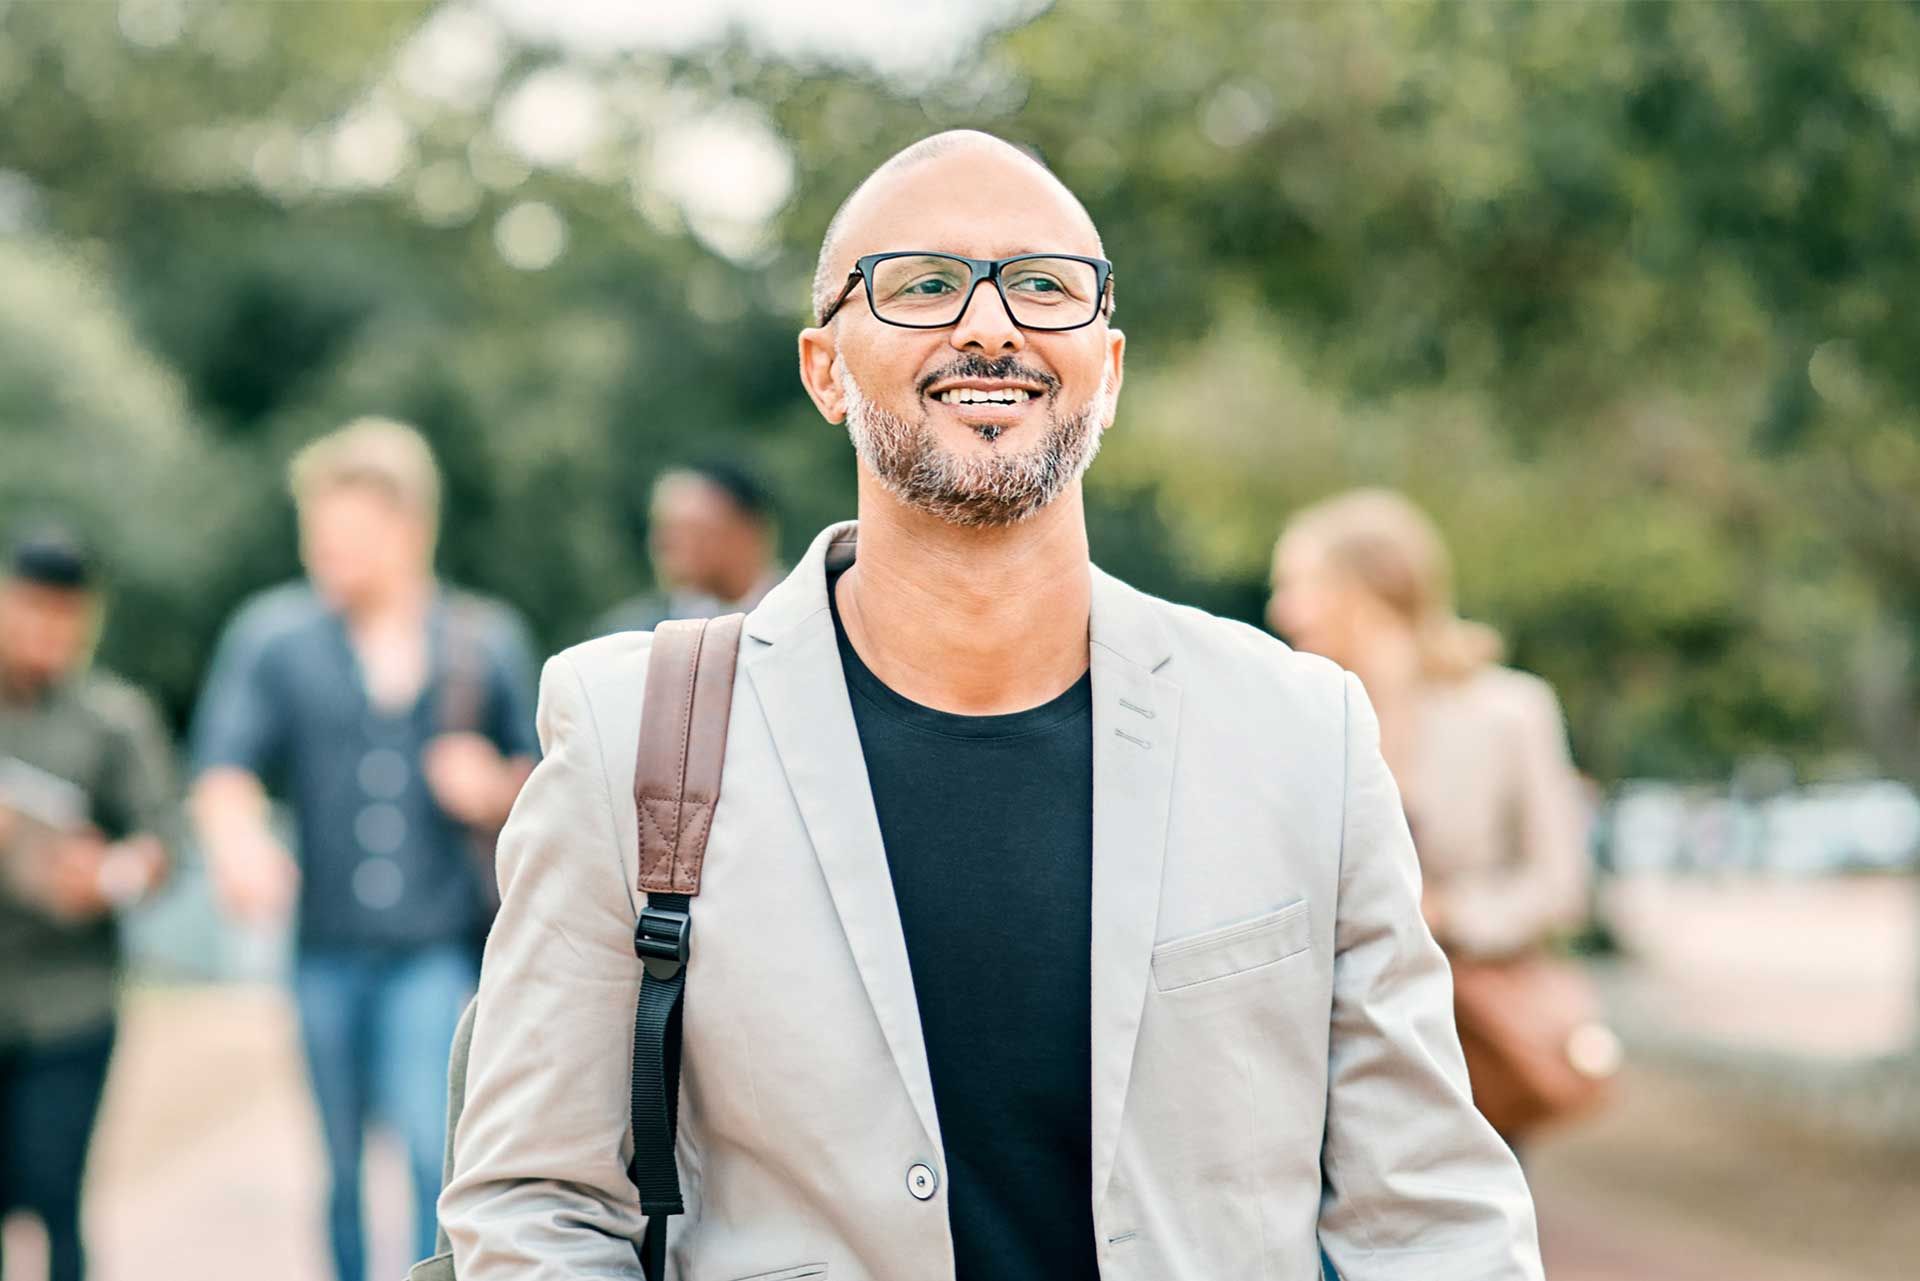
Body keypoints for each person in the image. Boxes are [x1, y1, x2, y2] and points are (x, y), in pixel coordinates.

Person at [442, 132, 1544, 1280]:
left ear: (1107, 367)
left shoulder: (1303, 733)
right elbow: (536, 1203)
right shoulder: (637, 730)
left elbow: (1429, 1218)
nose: (989, 323)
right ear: (825, 368)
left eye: (1044, 286)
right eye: (921, 284)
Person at [189, 419, 538, 1281]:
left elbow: (550, 780)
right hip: (323, 951)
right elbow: (223, 765)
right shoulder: (271, 637)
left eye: (348, 536)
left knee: (433, 1148)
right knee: (338, 1169)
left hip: (435, 952)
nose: (326, 553)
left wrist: (491, 784)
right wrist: (237, 846)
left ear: (411, 527)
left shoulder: (484, 638)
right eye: (317, 535)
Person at [1268, 488, 1590, 1084]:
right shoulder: (1298, 720)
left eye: (1299, 586)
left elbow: (1558, 885)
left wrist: (1447, 915)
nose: (1282, 612)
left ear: (1363, 595)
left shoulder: (1511, 711)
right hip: (1323, 1050)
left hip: (1471, 1042)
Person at [0, 525, 174, 1281]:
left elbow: (167, 838)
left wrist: (110, 874)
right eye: (33, 609)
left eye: (67, 614)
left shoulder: (112, 719)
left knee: (54, 1194)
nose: (49, 631)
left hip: (69, 1003)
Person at [592, 462, 783, 636]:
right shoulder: (631, 636)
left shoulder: (800, 619)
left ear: (748, 531)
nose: (665, 544)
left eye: (690, 529)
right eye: (662, 527)